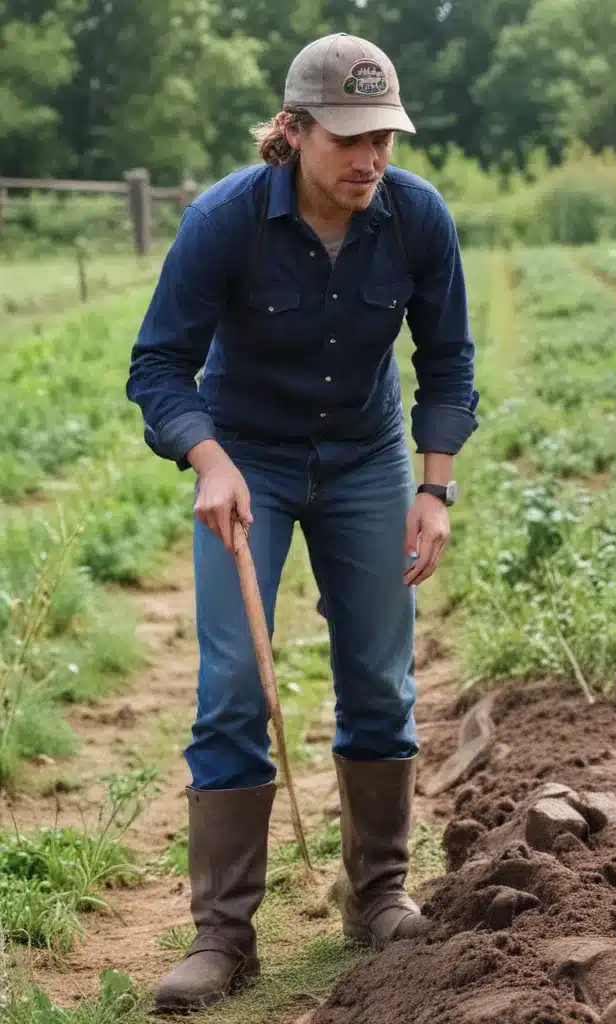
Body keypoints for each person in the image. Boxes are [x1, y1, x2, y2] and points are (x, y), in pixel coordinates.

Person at [125, 32, 478, 1013]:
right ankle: (224, 937)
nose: (369, 158)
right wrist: (205, 456)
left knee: (378, 675)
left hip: (368, 460)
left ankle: (377, 897)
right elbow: (157, 366)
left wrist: (434, 489)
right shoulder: (225, 220)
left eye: (385, 139)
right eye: (349, 138)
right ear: (294, 131)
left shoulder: (415, 220)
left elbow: (446, 362)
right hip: (250, 461)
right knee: (235, 680)